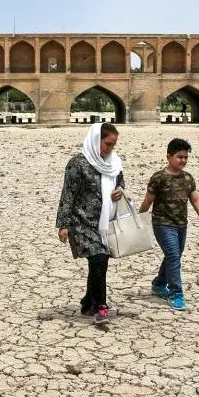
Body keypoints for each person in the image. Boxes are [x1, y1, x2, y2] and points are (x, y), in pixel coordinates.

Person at [56, 123, 125, 323]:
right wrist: (64, 224)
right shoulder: (78, 164)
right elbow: (68, 194)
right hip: (81, 221)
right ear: (96, 140)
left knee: (99, 261)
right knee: (99, 259)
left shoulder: (113, 162)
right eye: (107, 144)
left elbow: (120, 181)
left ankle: (88, 302)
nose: (110, 149)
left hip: (104, 221)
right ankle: (100, 306)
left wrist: (119, 189)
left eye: (113, 145)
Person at [139, 138, 199, 311]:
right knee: (172, 255)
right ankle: (176, 293)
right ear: (169, 157)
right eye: (179, 157)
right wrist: (138, 219)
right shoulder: (159, 178)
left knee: (174, 256)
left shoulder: (187, 178)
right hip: (162, 224)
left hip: (181, 224)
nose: (183, 161)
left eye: (186, 157)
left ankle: (158, 284)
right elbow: (148, 201)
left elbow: (195, 198)